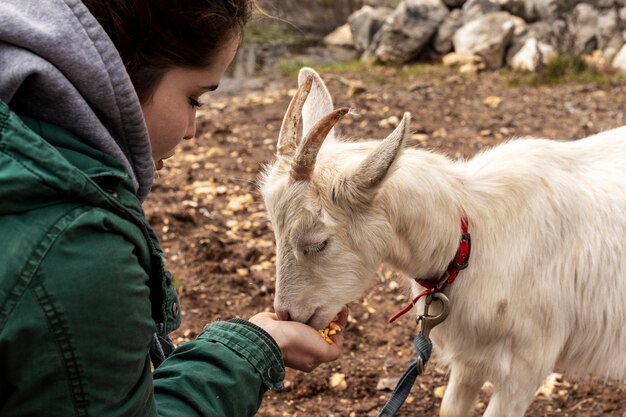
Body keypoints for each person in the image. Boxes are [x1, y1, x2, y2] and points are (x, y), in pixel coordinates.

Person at [0, 0, 349, 415]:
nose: (192, 132)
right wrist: (256, 350)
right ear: (117, 76)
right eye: (194, 99)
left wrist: (261, 341)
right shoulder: (76, 245)